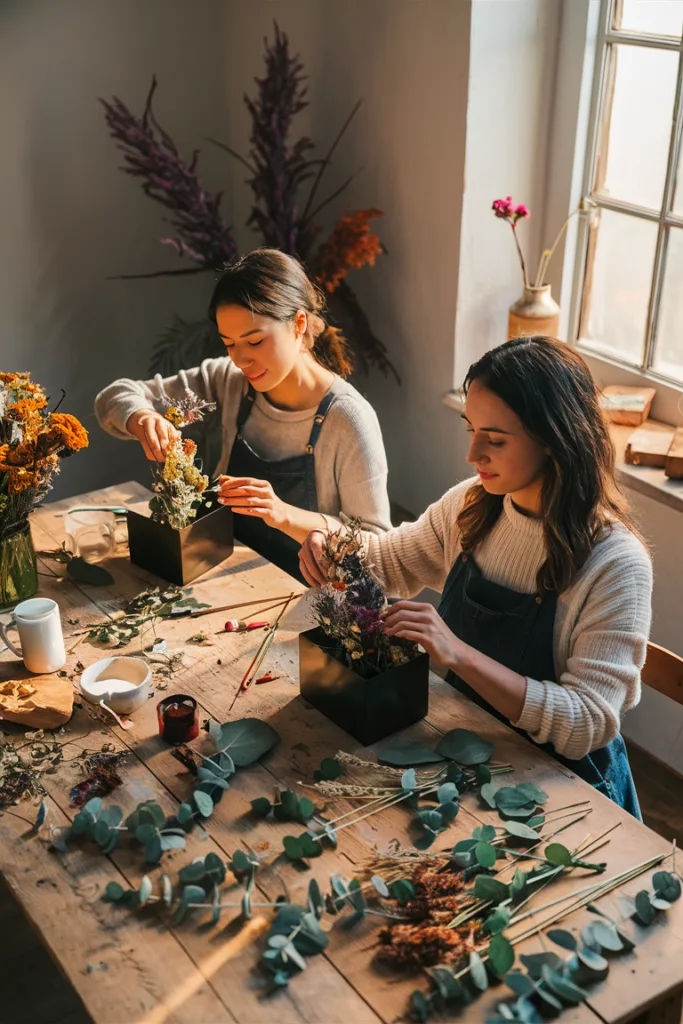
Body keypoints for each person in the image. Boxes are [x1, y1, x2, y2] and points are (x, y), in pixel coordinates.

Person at [299, 336, 652, 818]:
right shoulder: (473, 505)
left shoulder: (615, 564)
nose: (473, 454)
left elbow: (587, 722)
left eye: (496, 439)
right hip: (469, 755)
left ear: (554, 439)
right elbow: (389, 562)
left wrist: (459, 654)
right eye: (471, 429)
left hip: (570, 793)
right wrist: (335, 550)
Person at [95, 248, 391, 581]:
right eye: (229, 343)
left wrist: (282, 514)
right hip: (225, 578)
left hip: (306, 602)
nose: (241, 359)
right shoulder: (230, 381)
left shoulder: (349, 420)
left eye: (255, 341)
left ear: (298, 324)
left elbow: (376, 549)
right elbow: (114, 396)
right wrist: (142, 417)